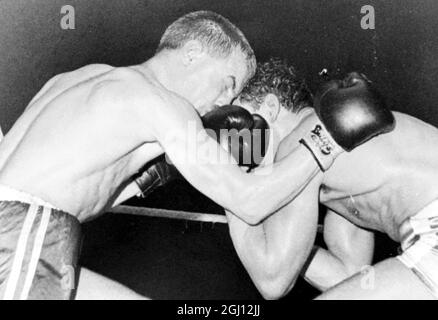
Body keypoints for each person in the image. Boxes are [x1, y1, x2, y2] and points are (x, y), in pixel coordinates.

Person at [0, 11, 312, 300]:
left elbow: (72, 186)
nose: (223, 103)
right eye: (226, 86)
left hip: (23, 228)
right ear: (192, 54)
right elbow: (249, 202)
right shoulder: (164, 105)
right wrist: (326, 142)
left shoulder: (79, 78)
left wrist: (149, 179)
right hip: (29, 233)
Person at [226, 58, 438, 300]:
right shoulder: (337, 166)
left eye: (237, 117)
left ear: (270, 107)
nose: (235, 139)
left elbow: (272, 281)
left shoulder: (300, 139)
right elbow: (350, 275)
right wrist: (295, 245)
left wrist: (229, 185)